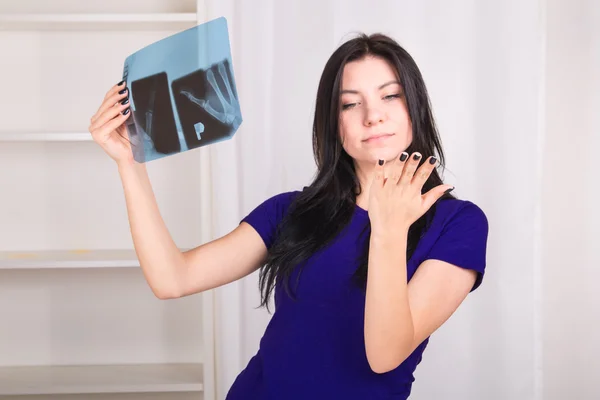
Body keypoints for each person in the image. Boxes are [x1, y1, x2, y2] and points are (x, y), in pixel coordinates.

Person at [88, 32, 489, 400]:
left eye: (390, 96)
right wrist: (129, 162)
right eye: (351, 103)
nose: (373, 115)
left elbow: (385, 355)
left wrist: (387, 227)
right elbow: (172, 279)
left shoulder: (459, 224)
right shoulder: (292, 210)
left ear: (415, 108)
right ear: (335, 125)